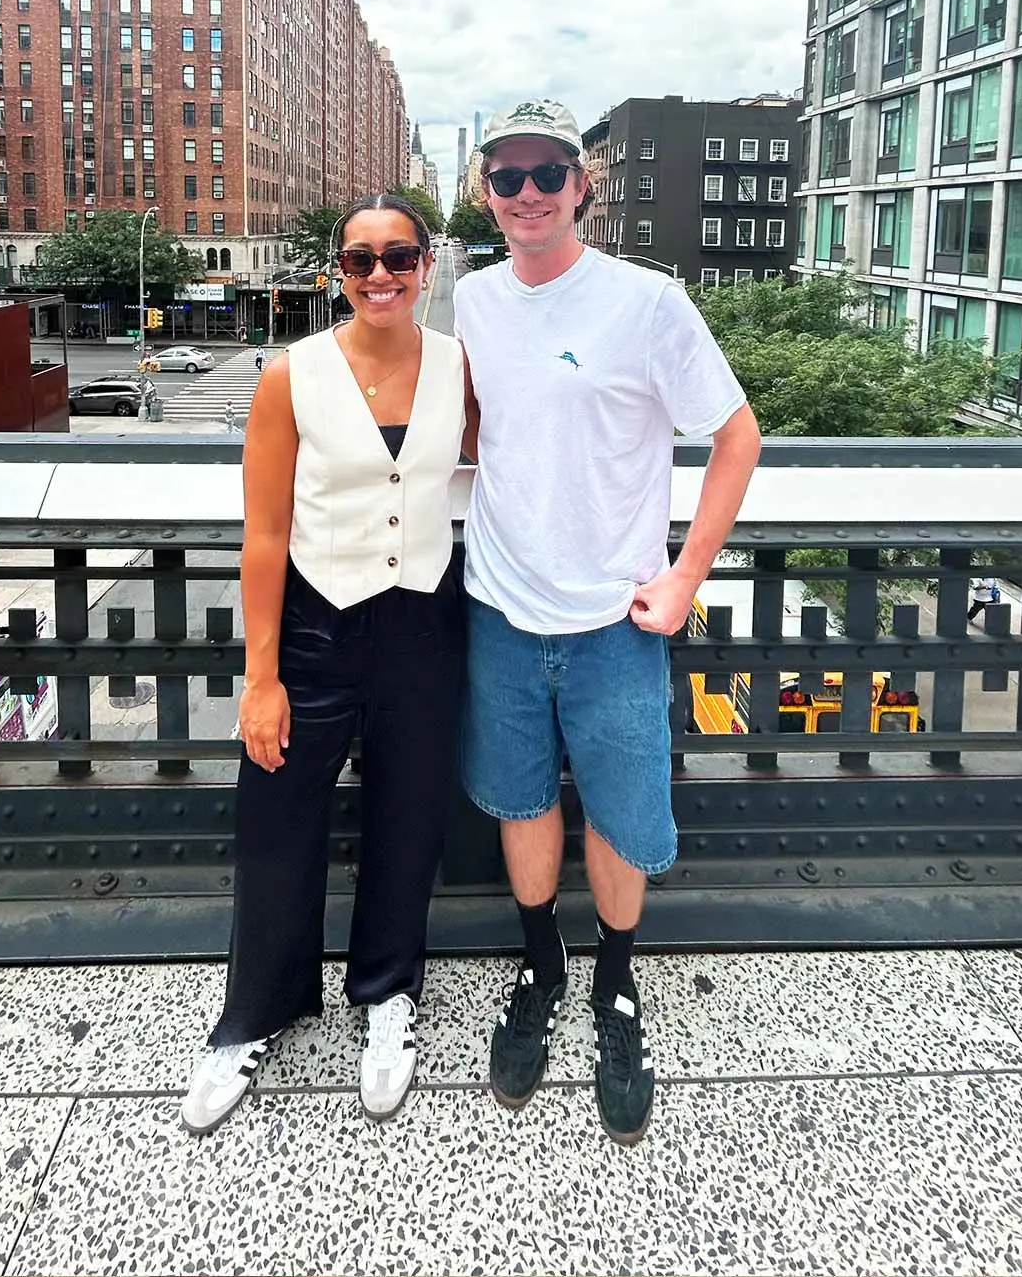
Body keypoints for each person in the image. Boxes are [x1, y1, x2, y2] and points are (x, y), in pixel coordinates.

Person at [453, 100, 761, 1148]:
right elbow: (486, 427)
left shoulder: (648, 302)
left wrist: (684, 578)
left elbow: (736, 435)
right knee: (522, 801)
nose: (528, 193)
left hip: (616, 623)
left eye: (548, 173)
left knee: (623, 820)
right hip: (499, 607)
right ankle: (541, 966)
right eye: (508, 176)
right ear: (484, 191)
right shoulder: (476, 300)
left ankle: (616, 992)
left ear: (582, 183)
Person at [182, 194, 474, 1135]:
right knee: (275, 809)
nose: (380, 275)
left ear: (426, 265)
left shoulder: (460, 367)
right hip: (315, 623)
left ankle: (388, 995)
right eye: (360, 260)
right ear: (336, 271)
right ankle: (254, 1013)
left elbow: (519, 457)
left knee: (408, 814)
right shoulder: (290, 375)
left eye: (398, 256)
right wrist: (261, 676)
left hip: (425, 618)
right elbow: (263, 532)